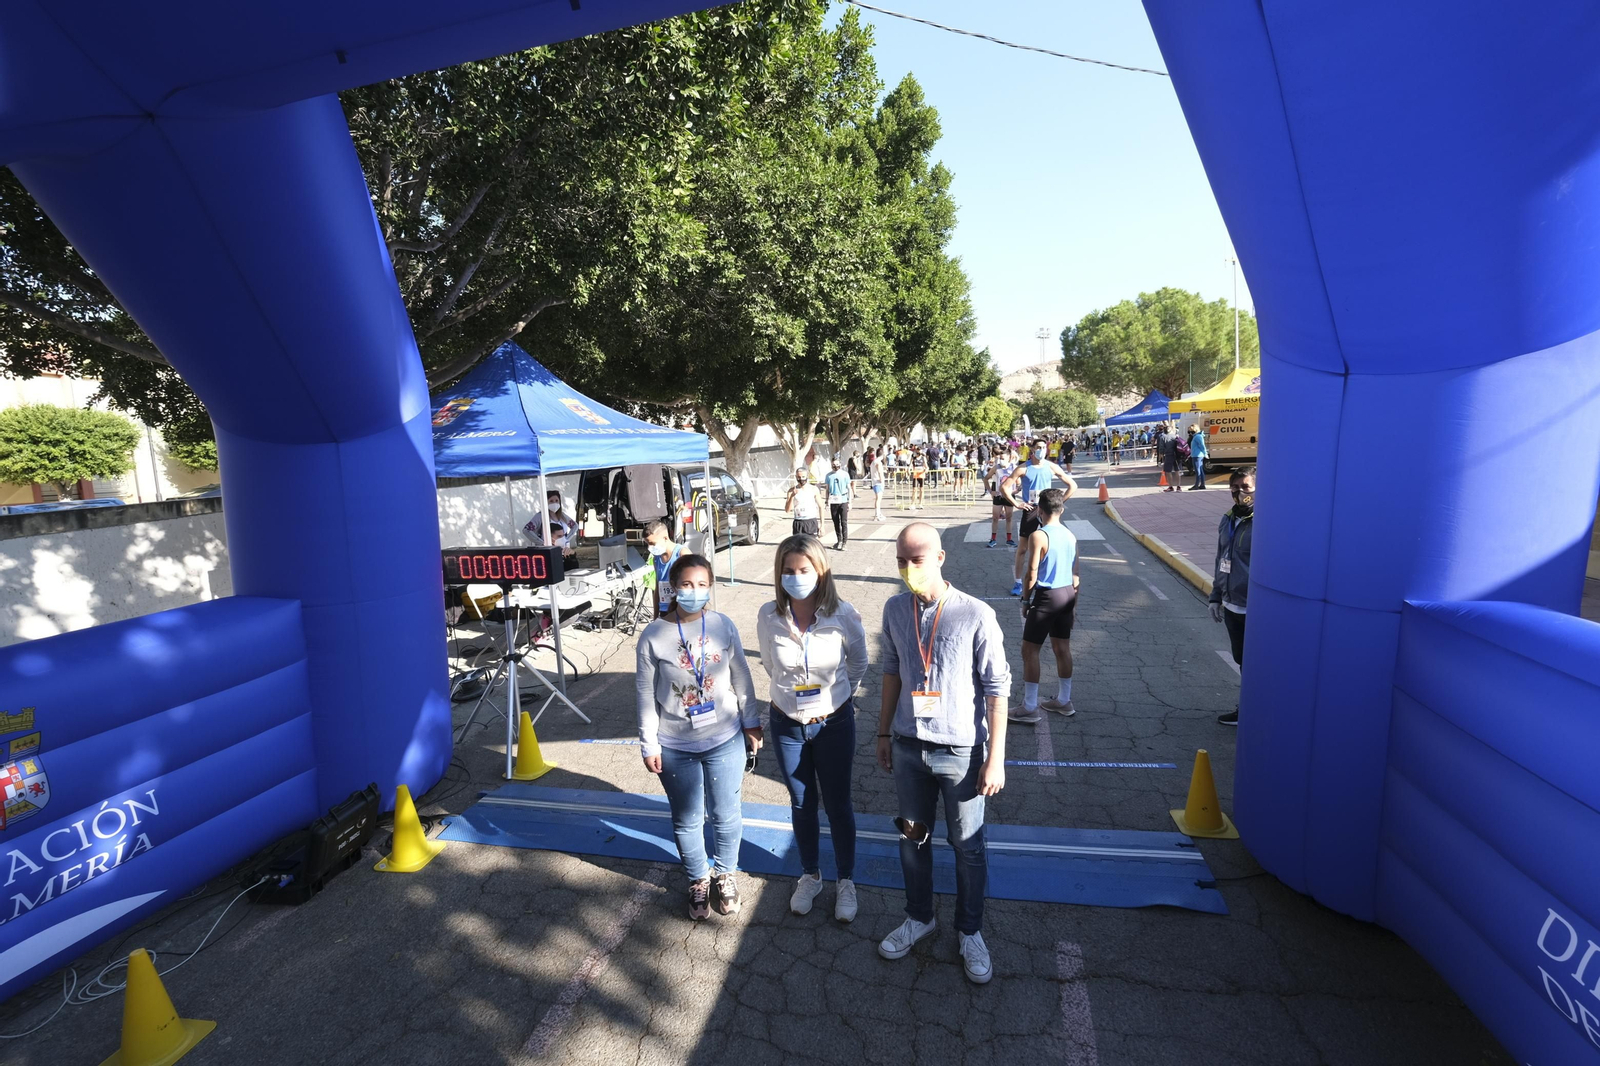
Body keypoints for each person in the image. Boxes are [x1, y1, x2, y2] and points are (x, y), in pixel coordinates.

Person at [876, 523, 1010, 984]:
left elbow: (997, 690)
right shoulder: (895, 609)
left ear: (939, 558)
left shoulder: (976, 614)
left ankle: (970, 931)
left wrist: (995, 757)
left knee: (967, 846)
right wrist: (883, 733)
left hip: (961, 752)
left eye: (916, 559)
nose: (908, 569)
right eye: (901, 561)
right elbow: (891, 671)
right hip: (909, 747)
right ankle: (919, 916)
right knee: (913, 838)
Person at [636, 554, 761, 919]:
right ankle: (697, 879)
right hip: (676, 745)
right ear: (673, 588)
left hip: (725, 738)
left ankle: (725, 874)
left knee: (726, 813)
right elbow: (644, 694)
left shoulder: (722, 625)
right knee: (687, 818)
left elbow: (741, 676)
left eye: (702, 584)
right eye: (687, 585)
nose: (695, 591)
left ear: (711, 587)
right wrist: (649, 743)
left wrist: (752, 722)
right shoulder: (654, 635)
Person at [757, 535, 868, 921]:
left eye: (804, 569)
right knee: (802, 803)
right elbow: (769, 665)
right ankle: (810, 875)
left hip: (833, 723)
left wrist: (839, 697)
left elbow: (859, 663)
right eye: (788, 570)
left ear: (821, 571)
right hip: (786, 723)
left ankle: (846, 880)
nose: (796, 576)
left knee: (838, 805)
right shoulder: (768, 615)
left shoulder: (844, 614)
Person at [1010, 489, 1080, 723]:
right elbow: (1076, 575)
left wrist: (1026, 600)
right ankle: (1064, 700)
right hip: (1067, 595)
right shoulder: (1070, 535)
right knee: (1062, 649)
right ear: (1062, 509)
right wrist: (1074, 605)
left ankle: (1029, 706)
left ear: (1040, 510)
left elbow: (1031, 573)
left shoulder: (1039, 535)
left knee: (1029, 650)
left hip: (1047, 597)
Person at [1000, 441, 1077, 596]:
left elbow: (1073, 485)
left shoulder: (1051, 466)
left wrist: (1058, 503)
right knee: (1023, 549)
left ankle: (1042, 579)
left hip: (1048, 510)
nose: (1041, 450)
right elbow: (1004, 487)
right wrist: (1016, 504)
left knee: (1048, 547)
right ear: (1032, 450)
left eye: (1043, 448)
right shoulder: (1023, 468)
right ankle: (1018, 582)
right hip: (1031, 509)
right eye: (1038, 448)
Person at [1210, 468, 1253, 726]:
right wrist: (1216, 596)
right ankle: (1248, 708)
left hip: (1254, 608)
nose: (1240, 492)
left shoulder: (1266, 521)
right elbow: (1220, 559)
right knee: (1241, 660)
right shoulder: (1227, 519)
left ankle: (1253, 710)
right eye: (1235, 487)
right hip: (1231, 605)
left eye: (1246, 487)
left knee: (1256, 663)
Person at [524, 488, 579, 558]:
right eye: (551, 501)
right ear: (546, 502)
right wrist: (542, 543)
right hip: (547, 552)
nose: (554, 503)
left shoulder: (562, 516)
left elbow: (575, 526)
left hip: (564, 552)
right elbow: (526, 530)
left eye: (556, 501)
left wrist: (566, 539)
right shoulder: (540, 516)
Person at [643, 519, 681, 616]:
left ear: (665, 538)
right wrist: (655, 616)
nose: (649, 547)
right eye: (647, 543)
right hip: (664, 610)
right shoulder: (656, 558)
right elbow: (658, 588)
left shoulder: (682, 554)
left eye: (652, 543)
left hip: (680, 611)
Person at [987, 452, 1016, 549]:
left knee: (1009, 518)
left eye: (1003, 458)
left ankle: (1009, 539)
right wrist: (991, 491)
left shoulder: (1013, 467)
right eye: (1000, 458)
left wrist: (1017, 489)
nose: (1001, 460)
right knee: (995, 518)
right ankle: (993, 539)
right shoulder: (996, 467)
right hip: (998, 496)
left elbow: (1019, 481)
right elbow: (986, 478)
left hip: (1009, 496)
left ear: (1009, 458)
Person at [786, 467, 824, 537]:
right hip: (798, 522)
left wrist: (822, 525)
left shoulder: (814, 489)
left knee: (811, 543)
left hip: (811, 521)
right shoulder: (791, 491)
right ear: (796, 477)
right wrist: (792, 496)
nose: (801, 479)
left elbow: (821, 507)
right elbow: (787, 510)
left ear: (807, 476)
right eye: (799, 477)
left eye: (803, 477)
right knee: (798, 544)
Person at [824, 458, 852, 550]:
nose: (835, 466)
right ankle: (839, 540)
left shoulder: (845, 474)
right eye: (833, 465)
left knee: (844, 522)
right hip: (833, 500)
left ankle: (844, 542)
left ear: (840, 464)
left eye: (837, 464)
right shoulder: (828, 476)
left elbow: (849, 488)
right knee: (836, 521)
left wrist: (849, 501)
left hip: (843, 500)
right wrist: (827, 502)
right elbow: (827, 490)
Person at [1188, 423, 1209, 489]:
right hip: (1196, 455)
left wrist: (1205, 453)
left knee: (1198, 471)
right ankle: (1202, 484)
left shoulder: (1197, 437)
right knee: (1200, 470)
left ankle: (1197, 485)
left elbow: (1202, 446)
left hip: (1197, 455)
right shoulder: (1197, 436)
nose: (1190, 432)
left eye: (1191, 430)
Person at [868, 448, 887, 520]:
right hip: (878, 482)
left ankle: (878, 513)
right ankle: (877, 515)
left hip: (875, 482)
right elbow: (879, 472)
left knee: (878, 499)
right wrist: (882, 480)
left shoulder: (873, 462)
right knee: (878, 499)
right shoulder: (878, 462)